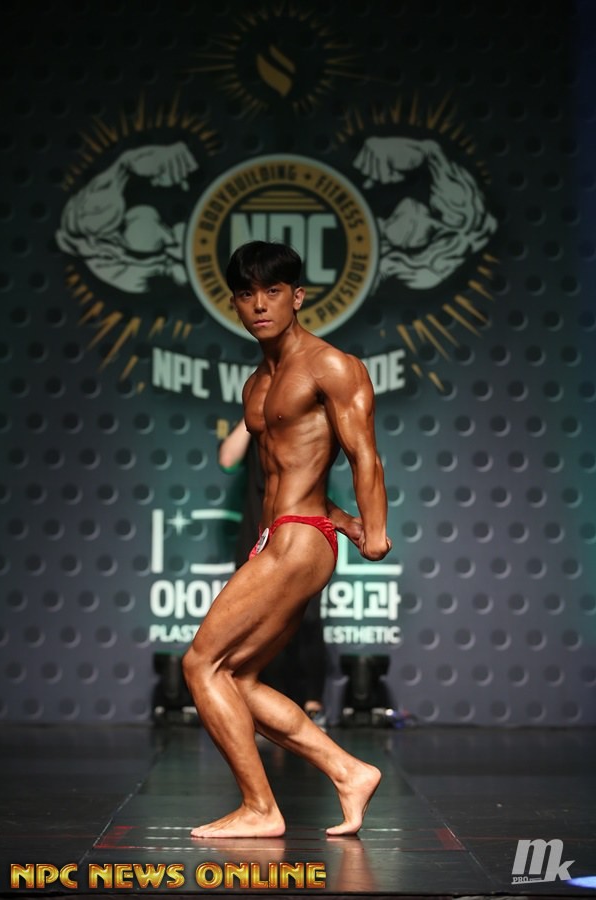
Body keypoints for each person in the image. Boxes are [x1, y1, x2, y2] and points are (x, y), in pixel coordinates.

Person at [182, 240, 392, 839]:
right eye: (246, 294)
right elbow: (290, 470)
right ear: (234, 303)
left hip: (299, 540)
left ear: (296, 297)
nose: (259, 305)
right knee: (236, 679)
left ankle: (260, 808)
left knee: (200, 663)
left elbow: (363, 453)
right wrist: (342, 520)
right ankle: (349, 772)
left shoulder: (331, 365)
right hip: (281, 533)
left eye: (272, 291)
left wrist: (374, 529)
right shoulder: (255, 386)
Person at [219, 418, 328, 728]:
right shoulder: (255, 425)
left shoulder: (310, 422)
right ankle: (262, 707)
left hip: (302, 534)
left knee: (306, 620)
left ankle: (312, 704)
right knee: (254, 624)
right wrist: (251, 418)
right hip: (258, 535)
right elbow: (227, 460)